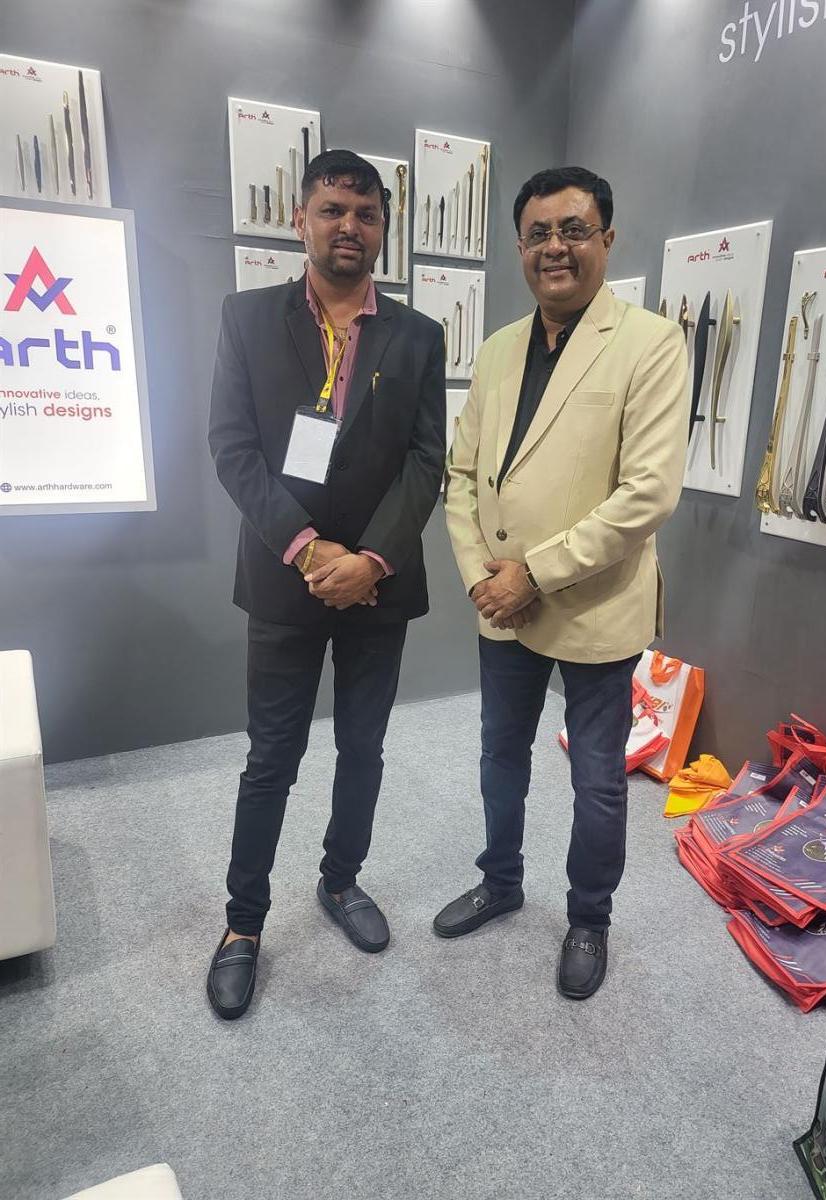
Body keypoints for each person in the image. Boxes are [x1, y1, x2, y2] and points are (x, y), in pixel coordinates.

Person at [436, 166, 688, 1000]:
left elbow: (646, 495)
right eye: (539, 233)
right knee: (499, 755)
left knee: (598, 780)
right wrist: (480, 577)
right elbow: (461, 475)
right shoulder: (499, 348)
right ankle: (501, 880)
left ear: (606, 240)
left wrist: (534, 575)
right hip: (500, 601)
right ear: (520, 247)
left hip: (592, 602)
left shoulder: (651, 343)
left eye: (574, 230)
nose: (556, 247)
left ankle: (589, 917)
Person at [207, 149, 446, 1019]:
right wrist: (310, 553)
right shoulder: (246, 317)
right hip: (285, 580)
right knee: (271, 757)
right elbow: (232, 447)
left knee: (363, 748)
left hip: (378, 585)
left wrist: (370, 559)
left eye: (366, 213)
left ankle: (341, 880)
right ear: (300, 219)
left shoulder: (418, 334)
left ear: (383, 227)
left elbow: (427, 461)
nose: (350, 226)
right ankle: (242, 924)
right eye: (333, 210)